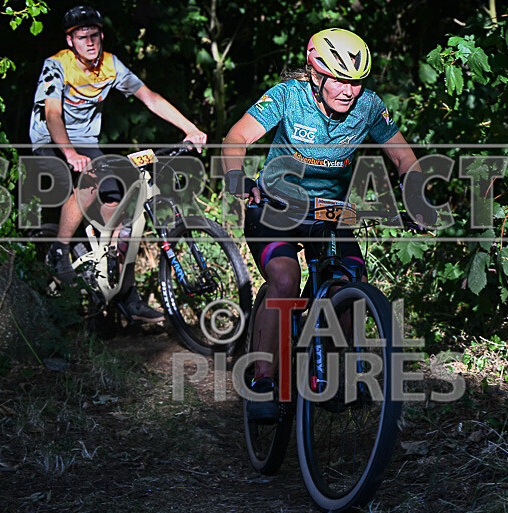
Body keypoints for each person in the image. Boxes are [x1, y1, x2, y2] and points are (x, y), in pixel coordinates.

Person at [222, 28, 434, 420]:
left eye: (355, 82)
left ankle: (339, 373)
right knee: (284, 279)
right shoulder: (288, 96)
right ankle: (263, 381)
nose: (348, 91)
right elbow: (235, 139)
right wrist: (239, 181)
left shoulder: (369, 107)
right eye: (339, 79)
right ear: (315, 74)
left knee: (349, 284)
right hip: (274, 206)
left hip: (329, 213)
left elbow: (406, 159)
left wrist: (416, 199)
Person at [29, 5, 207, 322]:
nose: (90, 42)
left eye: (94, 35)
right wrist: (69, 153)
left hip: (86, 142)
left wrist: (189, 128)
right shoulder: (56, 66)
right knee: (91, 181)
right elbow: (52, 114)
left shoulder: (110, 65)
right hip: (50, 140)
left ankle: (120, 286)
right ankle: (59, 250)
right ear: (71, 41)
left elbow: (149, 97)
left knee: (117, 202)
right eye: (82, 37)